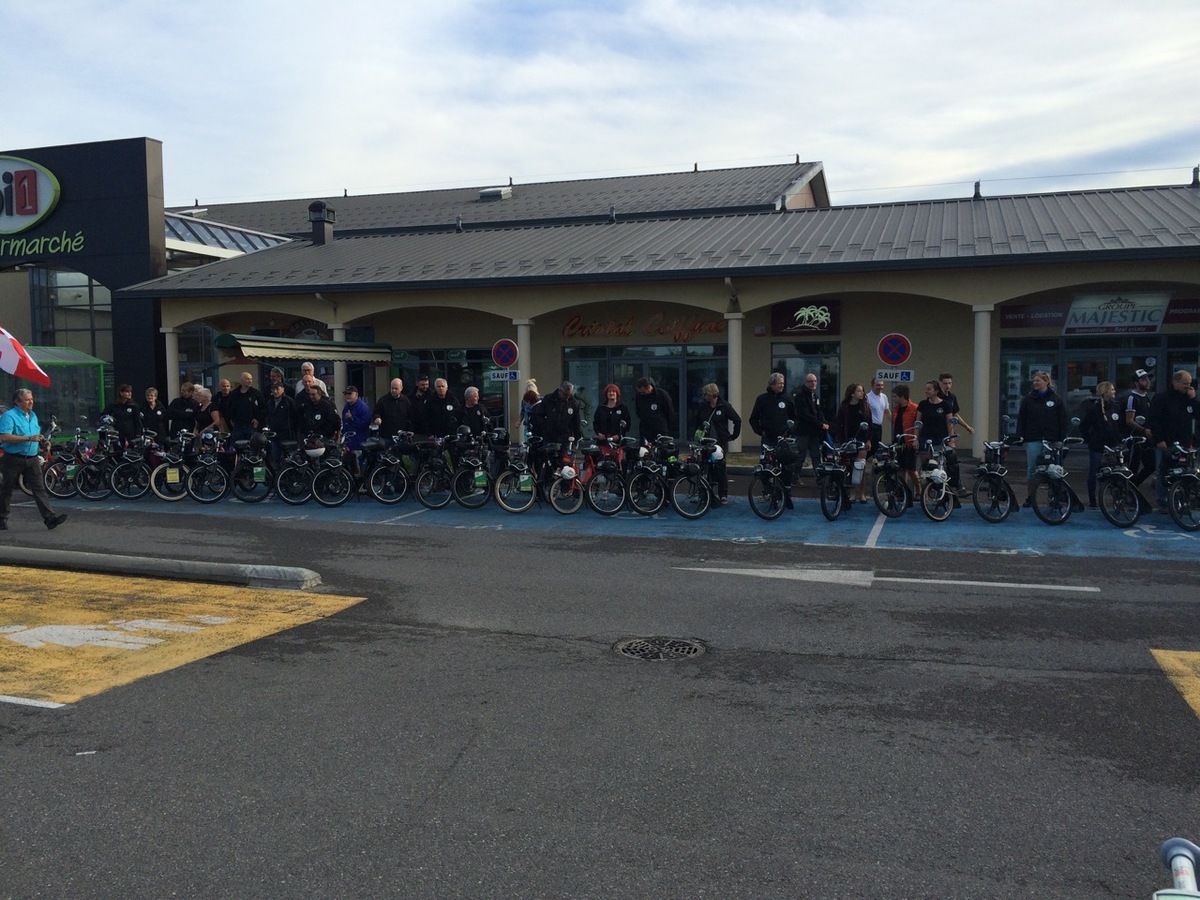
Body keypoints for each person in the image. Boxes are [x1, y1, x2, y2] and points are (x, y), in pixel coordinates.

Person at [0, 389, 67, 530]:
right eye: (27, 400)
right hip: (13, 458)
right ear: (17, 402)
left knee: (39, 489)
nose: (31, 402)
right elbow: (4, 437)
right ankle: (2, 518)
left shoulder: (33, 415)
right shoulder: (9, 416)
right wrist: (29, 438)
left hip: (32, 458)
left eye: (31, 399)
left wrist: (43, 443)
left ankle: (50, 519)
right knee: (7, 489)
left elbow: (35, 435)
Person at [1016, 371, 1068, 507]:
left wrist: (1061, 438)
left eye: (1038, 380)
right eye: (1034, 381)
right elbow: (1022, 418)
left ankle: (1054, 498)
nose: (1035, 383)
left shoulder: (1056, 399)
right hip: (1033, 438)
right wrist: (1021, 435)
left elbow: (1063, 420)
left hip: (1052, 439)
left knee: (1053, 469)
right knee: (1032, 469)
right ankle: (1030, 497)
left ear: (1046, 382)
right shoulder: (1028, 399)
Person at [1149, 370, 1197, 510]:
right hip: (1166, 441)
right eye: (1184, 383)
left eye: (1189, 383)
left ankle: (1183, 499)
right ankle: (1163, 499)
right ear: (1175, 382)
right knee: (1163, 470)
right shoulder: (1162, 398)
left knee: (1185, 470)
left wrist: (1194, 399)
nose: (1187, 386)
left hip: (1184, 442)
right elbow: (1154, 420)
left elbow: (1197, 415)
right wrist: (1159, 439)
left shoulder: (1187, 399)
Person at [749, 372, 797, 507]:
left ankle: (786, 494)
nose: (782, 385)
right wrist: (761, 431)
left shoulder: (787, 399)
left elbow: (794, 418)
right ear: (772, 384)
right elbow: (753, 419)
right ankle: (769, 491)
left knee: (787, 467)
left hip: (783, 439)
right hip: (768, 439)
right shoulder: (762, 399)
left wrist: (790, 431)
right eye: (779, 383)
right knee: (765, 467)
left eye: (783, 383)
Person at [693, 383, 741, 504]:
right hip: (705, 440)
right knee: (703, 466)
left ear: (711, 394)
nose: (704, 396)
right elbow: (697, 421)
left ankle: (723, 494)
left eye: (705, 394)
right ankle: (703, 492)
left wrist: (733, 436)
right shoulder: (703, 407)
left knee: (720, 466)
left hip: (720, 441)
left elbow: (737, 420)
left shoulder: (724, 406)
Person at [1081, 381, 1123, 508]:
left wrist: (1121, 439)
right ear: (1105, 392)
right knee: (1094, 472)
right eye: (1112, 389)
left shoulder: (1117, 406)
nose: (1114, 392)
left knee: (1116, 473)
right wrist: (1090, 440)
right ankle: (1092, 500)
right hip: (1098, 446)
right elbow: (1083, 426)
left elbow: (1120, 425)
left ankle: (1117, 499)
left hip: (1114, 445)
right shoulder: (1094, 409)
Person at [834, 382, 871, 502]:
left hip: (862, 439)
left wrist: (868, 440)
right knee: (849, 467)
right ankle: (852, 493)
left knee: (860, 466)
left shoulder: (865, 406)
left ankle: (862, 493)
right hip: (848, 439)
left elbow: (870, 424)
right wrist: (841, 440)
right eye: (859, 391)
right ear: (852, 394)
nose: (862, 393)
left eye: (862, 391)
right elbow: (839, 424)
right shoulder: (844, 407)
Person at [1125, 368, 1156, 491]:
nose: (1147, 382)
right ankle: (1127, 492)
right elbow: (1129, 420)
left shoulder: (1147, 397)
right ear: (1136, 383)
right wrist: (1144, 430)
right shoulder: (1132, 398)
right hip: (1135, 439)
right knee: (1133, 467)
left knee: (1151, 465)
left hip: (1146, 439)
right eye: (1143, 380)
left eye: (1148, 379)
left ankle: (1133, 487)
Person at [793, 372, 829, 478]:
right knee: (801, 455)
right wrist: (820, 424)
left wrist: (824, 422)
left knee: (816, 455)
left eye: (815, 381)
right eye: (810, 381)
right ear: (806, 382)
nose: (813, 383)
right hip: (803, 431)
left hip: (814, 432)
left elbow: (818, 412)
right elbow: (804, 414)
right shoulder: (800, 396)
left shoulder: (815, 396)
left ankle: (819, 478)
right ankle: (794, 477)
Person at [891, 384, 920, 506]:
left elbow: (917, 425)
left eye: (895, 396)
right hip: (898, 441)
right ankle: (903, 491)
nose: (893, 398)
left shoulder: (914, 408)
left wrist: (915, 439)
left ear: (902, 396)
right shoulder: (896, 409)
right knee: (900, 469)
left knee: (911, 469)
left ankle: (918, 490)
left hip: (909, 441)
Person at [225, 371, 265, 442]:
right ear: (241, 380)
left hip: (251, 425)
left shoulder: (256, 393)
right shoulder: (234, 394)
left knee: (251, 445)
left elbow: (263, 408)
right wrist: (231, 420)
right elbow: (229, 408)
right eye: (247, 379)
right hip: (237, 425)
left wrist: (257, 419)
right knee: (236, 445)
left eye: (251, 379)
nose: (250, 381)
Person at [264, 381, 296, 467]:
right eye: (273, 389)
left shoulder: (288, 402)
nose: (275, 391)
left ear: (283, 389)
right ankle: (277, 472)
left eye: (277, 389)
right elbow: (267, 415)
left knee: (288, 458)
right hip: (274, 433)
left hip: (286, 434)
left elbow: (295, 416)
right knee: (275, 456)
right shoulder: (270, 402)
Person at [634, 376, 675, 442]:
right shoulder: (639, 396)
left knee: (662, 447)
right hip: (645, 429)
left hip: (660, 429)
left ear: (648, 387)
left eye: (643, 392)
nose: (642, 394)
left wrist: (667, 426)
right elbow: (638, 411)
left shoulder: (662, 395)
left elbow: (669, 411)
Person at [340, 386, 372, 452]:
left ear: (356, 394)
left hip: (359, 443)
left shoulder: (363, 407)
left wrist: (352, 418)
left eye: (350, 393)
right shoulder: (346, 407)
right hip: (348, 442)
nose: (347, 396)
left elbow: (365, 425)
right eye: (346, 394)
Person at [866, 378, 890, 447]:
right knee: (870, 448)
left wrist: (894, 422)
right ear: (872, 386)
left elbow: (887, 411)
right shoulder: (867, 397)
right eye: (878, 385)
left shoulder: (884, 397)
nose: (880, 387)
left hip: (879, 427)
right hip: (870, 426)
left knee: (876, 447)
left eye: (882, 385)